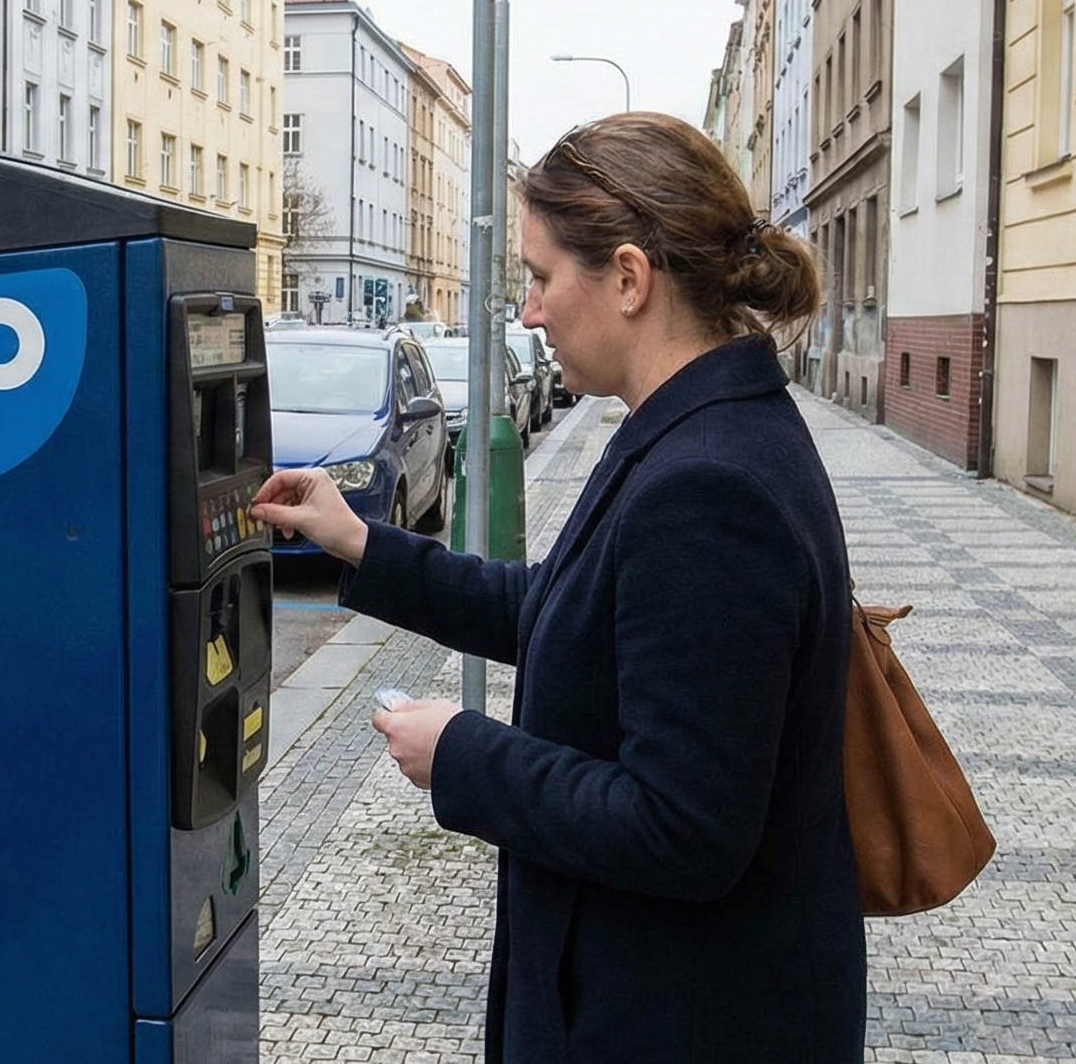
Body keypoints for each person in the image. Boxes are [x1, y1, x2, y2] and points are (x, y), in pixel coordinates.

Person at [252, 112, 864, 1061]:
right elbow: (562, 611)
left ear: (628, 277)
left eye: (540, 278)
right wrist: (361, 542)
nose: (527, 313)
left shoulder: (710, 484)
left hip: (676, 1018)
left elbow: (685, 826)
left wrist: (463, 754)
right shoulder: (697, 427)